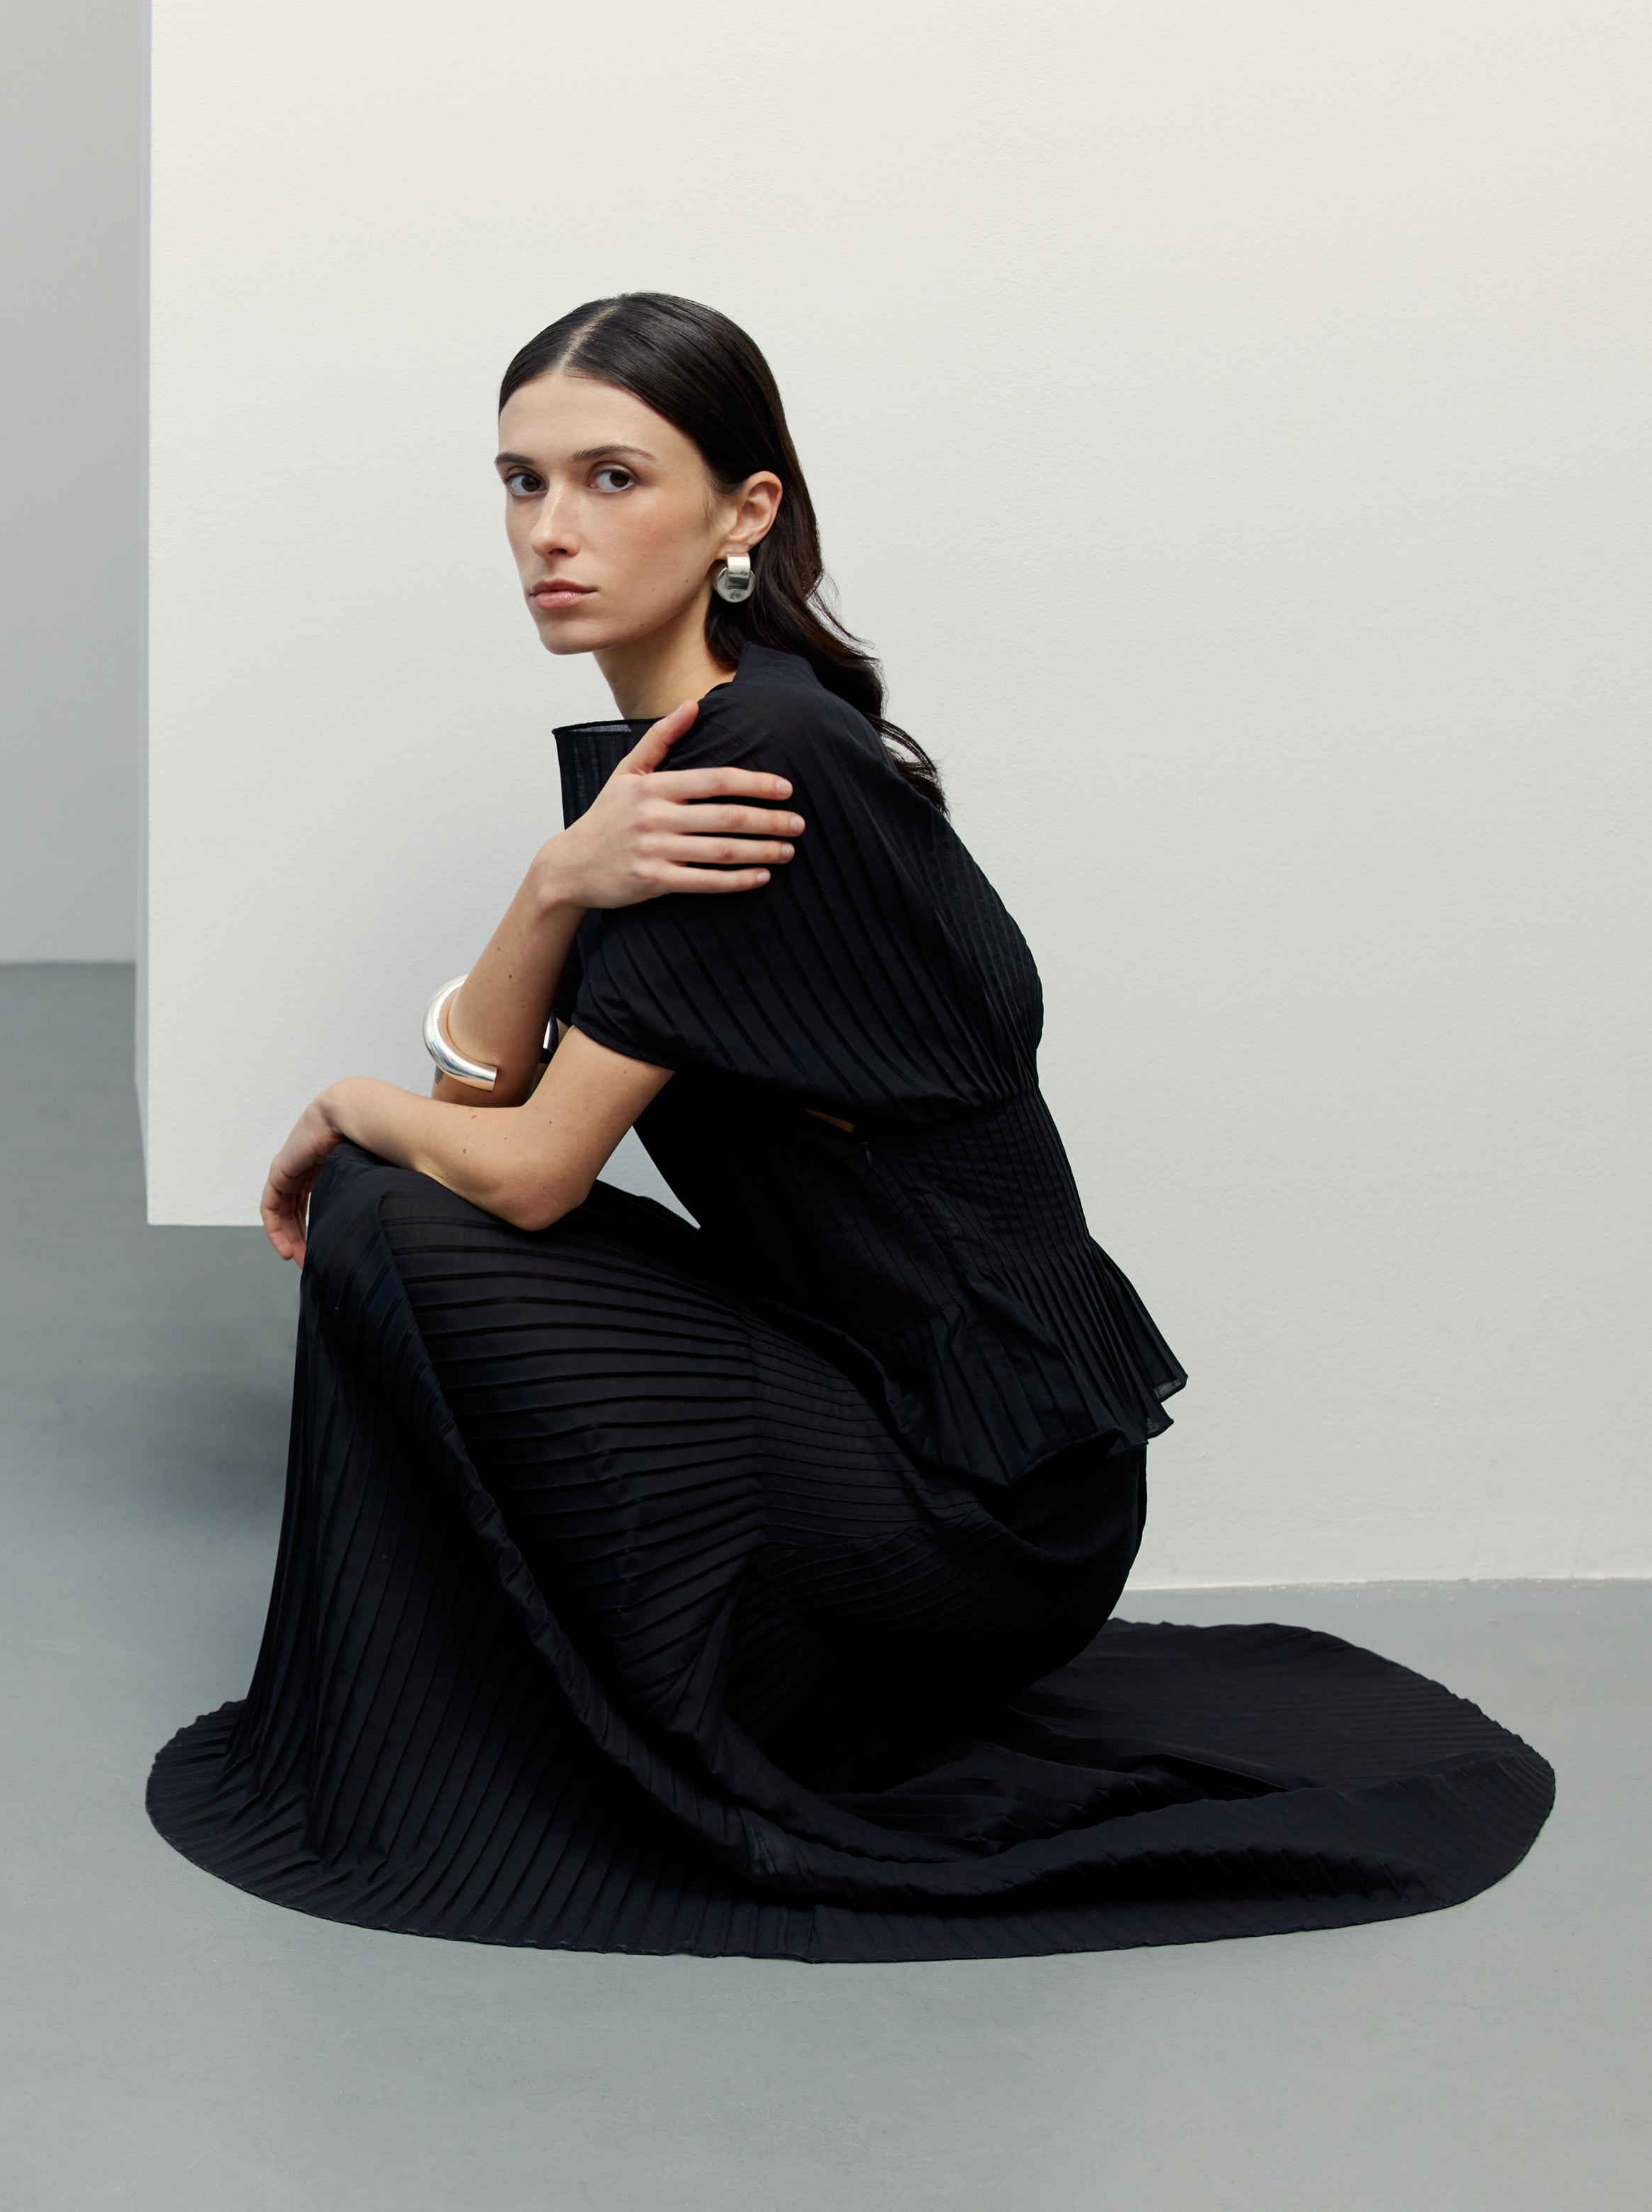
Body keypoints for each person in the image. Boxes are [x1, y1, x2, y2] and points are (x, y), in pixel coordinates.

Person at [148, 293, 1551, 1959]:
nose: (551, 531)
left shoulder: (761, 764)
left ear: (744, 511)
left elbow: (510, 1168)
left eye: (610, 477)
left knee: (391, 1197)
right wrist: (549, 881)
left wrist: (336, 1101)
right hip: (907, 1415)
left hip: (975, 1503)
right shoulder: (694, 750)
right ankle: (554, 1694)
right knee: (404, 1190)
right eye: (519, 484)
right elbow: (483, 1108)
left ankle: (508, 1733)